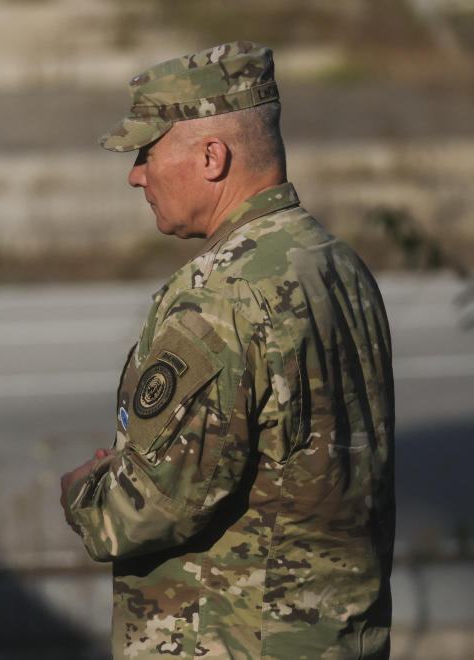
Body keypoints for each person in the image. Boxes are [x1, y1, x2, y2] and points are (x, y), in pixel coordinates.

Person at [59, 42, 395, 658]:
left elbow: (146, 508)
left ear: (212, 156)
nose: (136, 174)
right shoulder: (338, 266)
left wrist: (86, 491)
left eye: (146, 153)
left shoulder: (220, 294)